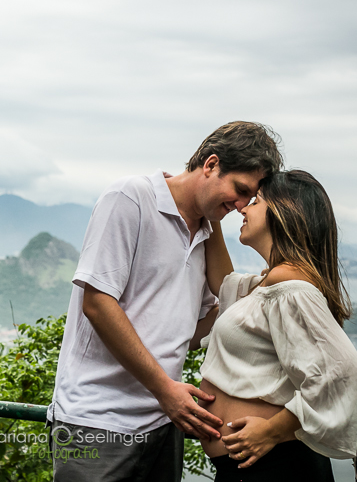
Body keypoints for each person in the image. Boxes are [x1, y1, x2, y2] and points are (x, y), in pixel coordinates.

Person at [47, 121, 283, 481]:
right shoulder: (131, 197)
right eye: (239, 190)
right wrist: (165, 389)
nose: (239, 206)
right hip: (97, 420)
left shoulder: (206, 233)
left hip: (164, 421)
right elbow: (96, 303)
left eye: (248, 199)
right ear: (211, 164)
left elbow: (216, 311)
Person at [196, 170, 357, 482]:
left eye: (256, 201)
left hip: (276, 465)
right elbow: (224, 283)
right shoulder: (271, 281)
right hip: (253, 466)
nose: (243, 208)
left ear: (284, 212)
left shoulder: (290, 282)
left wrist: (271, 431)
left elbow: (342, 372)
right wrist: (212, 211)